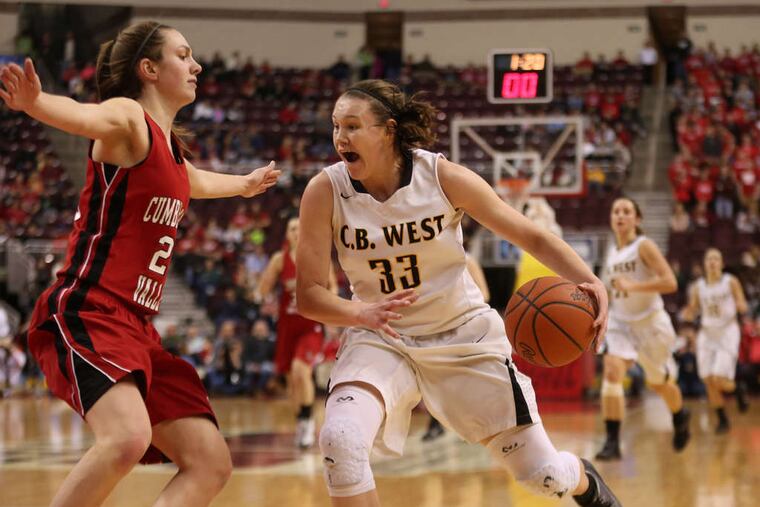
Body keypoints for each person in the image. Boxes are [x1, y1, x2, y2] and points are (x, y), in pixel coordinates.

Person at [296, 79, 620, 506]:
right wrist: (361, 315)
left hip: (461, 334)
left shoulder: (440, 176)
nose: (340, 138)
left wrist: (590, 281)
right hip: (381, 335)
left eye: (353, 126)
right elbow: (309, 296)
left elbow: (531, 236)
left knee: (543, 475)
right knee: (340, 439)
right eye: (336, 126)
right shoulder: (325, 191)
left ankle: (585, 481)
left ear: (388, 130)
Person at [0, 21, 280, 507]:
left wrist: (243, 184)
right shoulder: (128, 119)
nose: (197, 66)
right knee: (127, 438)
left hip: (138, 328)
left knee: (210, 461)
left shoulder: (170, 150)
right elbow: (86, 117)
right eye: (184, 55)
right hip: (88, 309)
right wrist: (37, 105)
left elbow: (194, 181)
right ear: (149, 69)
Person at [596, 197, 690, 461]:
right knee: (612, 371)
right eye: (616, 211)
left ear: (637, 219)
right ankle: (612, 442)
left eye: (626, 211)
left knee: (659, 384)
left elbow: (670, 282)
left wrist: (634, 287)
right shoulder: (611, 253)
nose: (620, 215)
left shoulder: (643, 245)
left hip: (651, 324)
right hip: (621, 322)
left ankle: (680, 414)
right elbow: (612, 291)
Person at [256, 216, 336, 448]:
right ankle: (302, 420)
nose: (296, 232)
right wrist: (264, 282)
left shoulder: (317, 255)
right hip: (287, 326)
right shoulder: (279, 260)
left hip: (310, 324)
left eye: (300, 228)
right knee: (292, 381)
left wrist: (329, 306)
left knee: (301, 371)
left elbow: (331, 284)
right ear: (287, 235)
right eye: (291, 228)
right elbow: (262, 290)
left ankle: (308, 421)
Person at [421, 252, 489, 442]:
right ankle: (435, 424)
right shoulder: (432, 260)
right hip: (438, 327)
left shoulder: (468, 261)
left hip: (465, 327)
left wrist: (458, 303)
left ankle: (473, 424)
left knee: (466, 380)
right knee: (436, 379)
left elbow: (485, 293)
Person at [682, 248, 749, 433]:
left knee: (719, 378)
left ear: (721, 263)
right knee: (708, 379)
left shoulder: (731, 281)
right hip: (707, 333)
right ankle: (722, 419)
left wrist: (742, 306)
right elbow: (693, 309)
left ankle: (738, 390)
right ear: (704, 264)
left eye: (716, 259)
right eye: (709, 259)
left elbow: (741, 302)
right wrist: (688, 312)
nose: (712, 262)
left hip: (727, 330)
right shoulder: (698, 287)